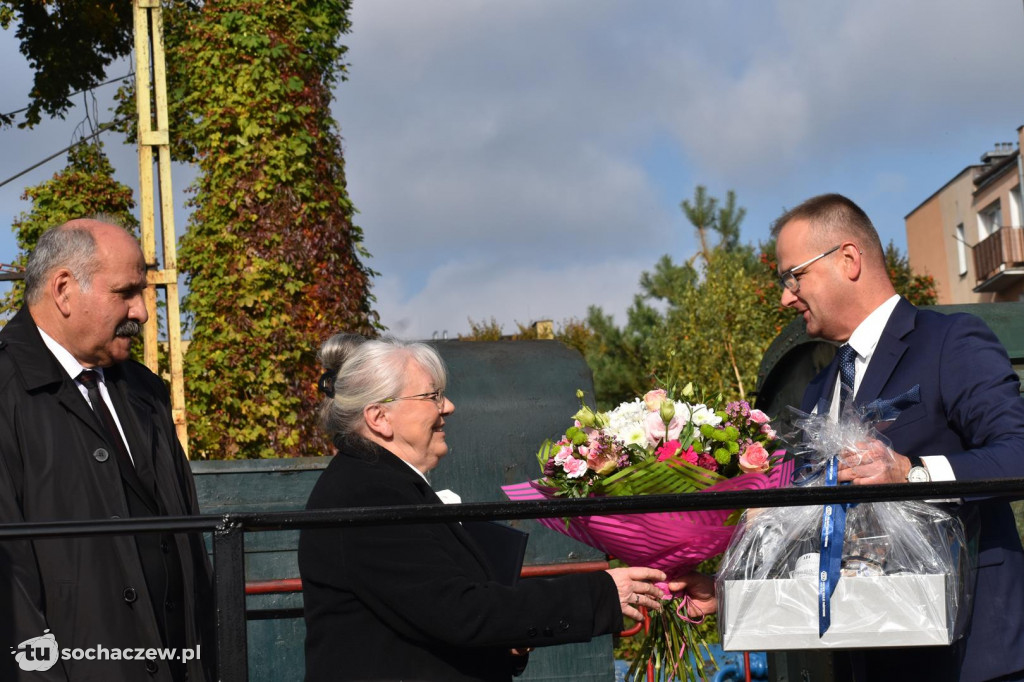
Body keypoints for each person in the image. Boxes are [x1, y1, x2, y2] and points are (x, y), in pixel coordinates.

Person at [298, 333, 715, 682]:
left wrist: (507, 636)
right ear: (379, 418)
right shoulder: (368, 493)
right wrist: (603, 592)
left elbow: (436, 615)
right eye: (432, 396)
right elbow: (457, 611)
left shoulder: (386, 485)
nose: (448, 407)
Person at [773, 193, 1024, 682]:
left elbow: (1019, 452)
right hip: (863, 652)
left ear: (848, 259)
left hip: (972, 653)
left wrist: (911, 472)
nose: (786, 297)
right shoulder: (819, 389)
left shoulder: (950, 342)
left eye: (793, 276)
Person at [0, 218, 213, 682]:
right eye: (126, 293)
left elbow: (188, 552)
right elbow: (9, 583)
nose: (141, 312)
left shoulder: (147, 392)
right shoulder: (5, 393)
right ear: (63, 289)